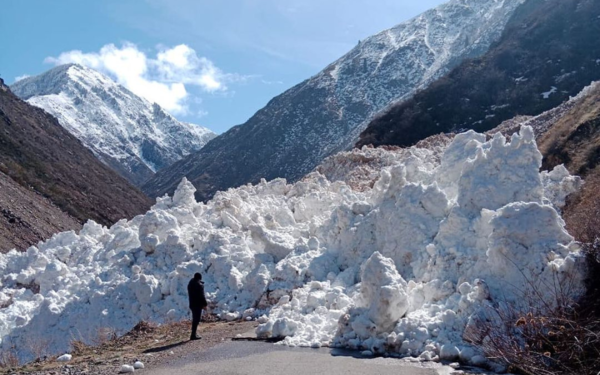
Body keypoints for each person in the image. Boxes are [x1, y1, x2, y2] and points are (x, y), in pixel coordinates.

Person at [187, 272, 208, 340]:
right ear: (199, 278)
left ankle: (193, 333)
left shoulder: (190, 284)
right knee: (197, 319)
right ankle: (193, 335)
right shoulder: (199, 285)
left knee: (194, 319)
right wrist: (205, 304)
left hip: (192, 304)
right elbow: (201, 296)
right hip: (198, 305)